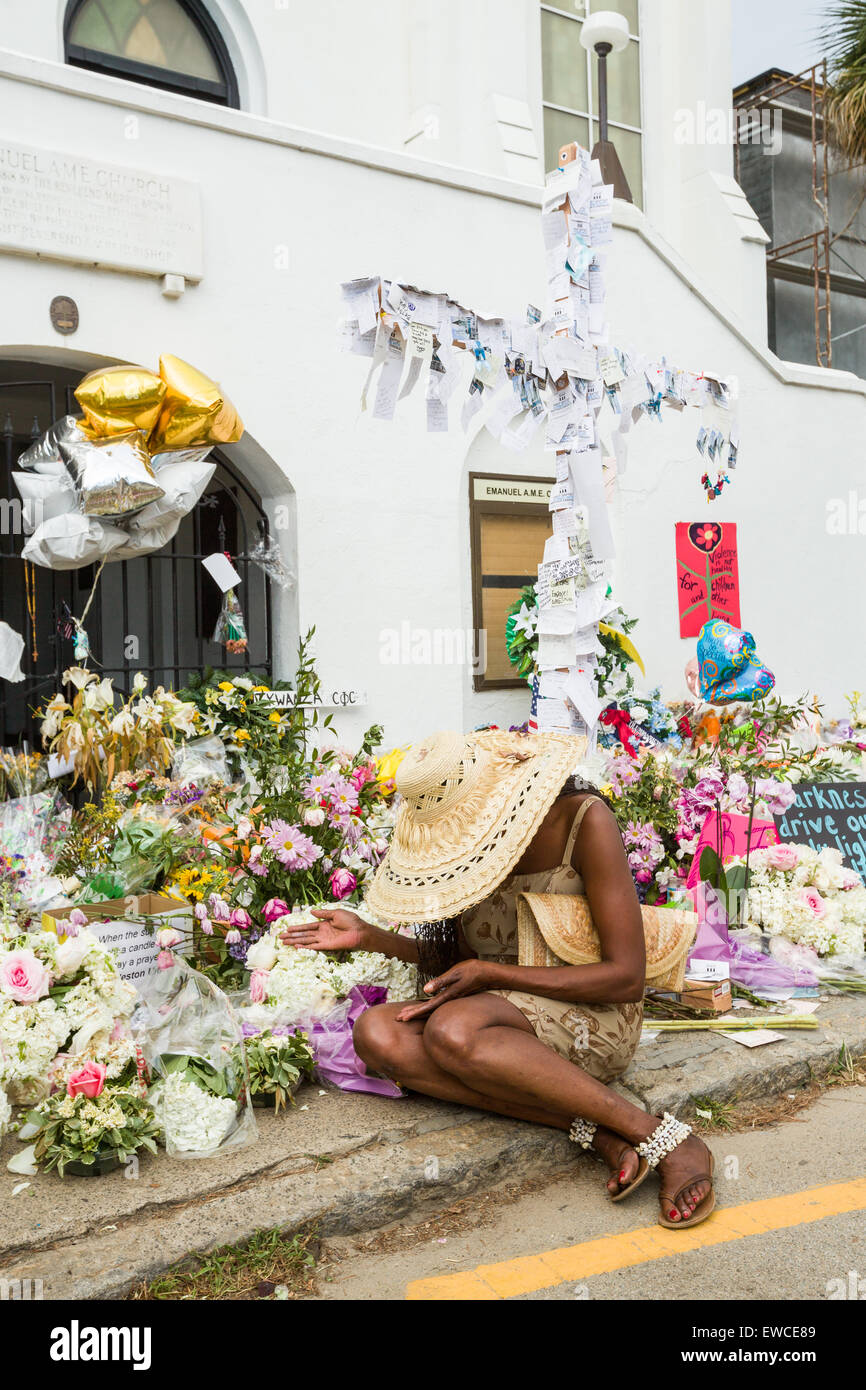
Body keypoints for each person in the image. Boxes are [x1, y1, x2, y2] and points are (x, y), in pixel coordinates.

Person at [280, 729, 714, 1228]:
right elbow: (464, 964)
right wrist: (371, 937)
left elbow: (625, 979)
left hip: (593, 1018)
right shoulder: (465, 853)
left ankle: (664, 1137)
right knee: (375, 1034)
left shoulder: (583, 821)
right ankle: (600, 1133)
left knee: (453, 1028)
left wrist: (490, 974)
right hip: (494, 1026)